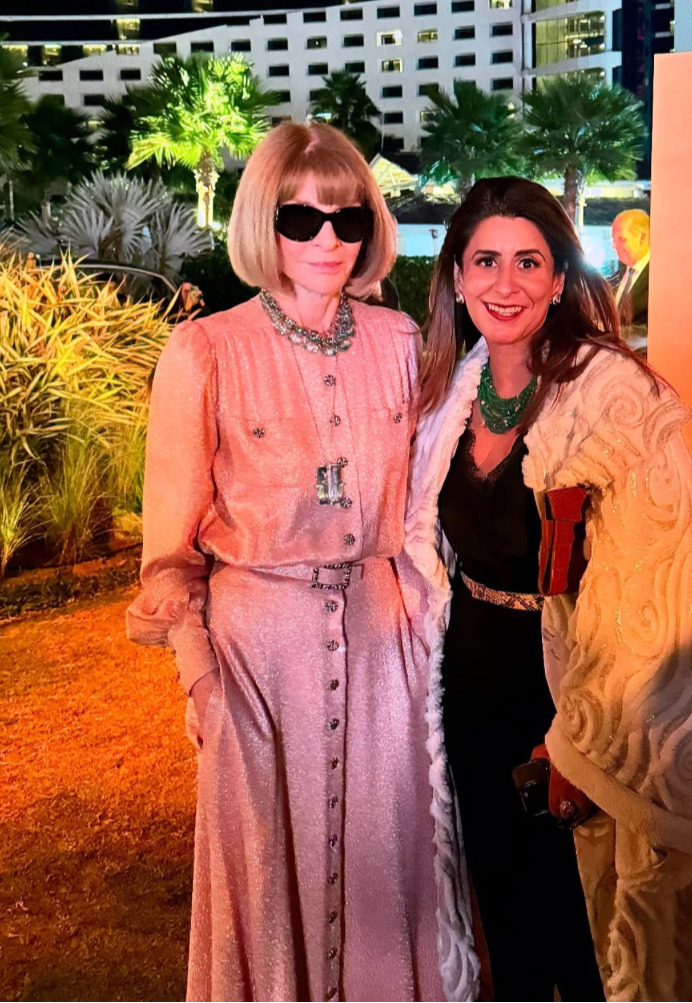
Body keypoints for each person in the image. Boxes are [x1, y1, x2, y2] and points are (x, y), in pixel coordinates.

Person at [126, 122, 471, 1003]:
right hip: (254, 658)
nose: (327, 239)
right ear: (262, 223)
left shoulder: (403, 340)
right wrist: (204, 682)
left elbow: (448, 478)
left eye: (348, 220)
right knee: (263, 881)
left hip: (384, 650)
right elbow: (167, 556)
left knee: (389, 868)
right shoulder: (205, 351)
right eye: (301, 217)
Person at [402, 177, 692, 1001]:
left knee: (589, 937)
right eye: (484, 260)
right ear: (456, 276)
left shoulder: (617, 400)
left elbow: (653, 594)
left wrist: (573, 742)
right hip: (468, 688)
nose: (505, 283)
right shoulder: (447, 392)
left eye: (529, 261)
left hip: (573, 701)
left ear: (561, 279)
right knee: (508, 924)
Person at [611, 208, 650, 354]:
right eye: (613, 240)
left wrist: (609, 333)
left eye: (621, 239)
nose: (615, 247)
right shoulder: (617, 275)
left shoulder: (657, 278)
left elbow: (648, 330)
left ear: (642, 237)